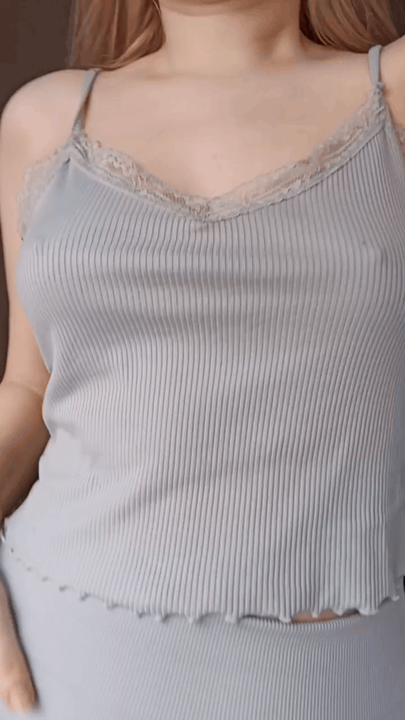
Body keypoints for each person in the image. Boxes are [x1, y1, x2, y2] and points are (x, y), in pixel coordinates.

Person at [0, 0, 404, 715]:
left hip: (333, 678)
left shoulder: (392, 96)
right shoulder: (46, 119)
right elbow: (30, 389)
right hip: (54, 660)